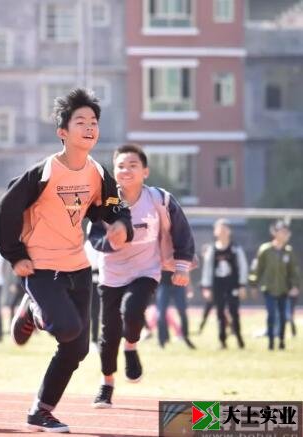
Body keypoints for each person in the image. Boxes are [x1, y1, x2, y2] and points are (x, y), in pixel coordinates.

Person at [0, 88, 132, 432]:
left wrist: (119, 226)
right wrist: (15, 256)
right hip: (40, 267)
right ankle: (33, 310)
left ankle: (40, 410)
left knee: (78, 349)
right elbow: (8, 209)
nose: (89, 127)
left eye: (94, 122)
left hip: (78, 268)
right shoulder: (45, 171)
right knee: (67, 328)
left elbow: (113, 206)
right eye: (80, 121)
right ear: (62, 132)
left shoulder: (97, 173)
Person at [89, 144, 195, 409]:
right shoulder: (106, 202)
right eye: (120, 166)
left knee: (132, 309)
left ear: (145, 171)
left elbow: (182, 232)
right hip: (112, 274)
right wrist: (111, 242)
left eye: (132, 165)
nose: (126, 170)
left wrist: (181, 266)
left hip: (146, 270)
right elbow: (94, 236)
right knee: (109, 333)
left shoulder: (160, 199)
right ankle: (106, 384)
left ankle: (131, 346)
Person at [249, 220, 300, 350]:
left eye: (287, 232)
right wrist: (253, 284)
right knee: (271, 315)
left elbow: (293, 271)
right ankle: (271, 342)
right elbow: (257, 268)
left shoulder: (288, 251)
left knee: (283, 316)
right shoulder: (265, 250)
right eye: (282, 232)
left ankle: (281, 342)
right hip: (269, 288)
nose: (285, 235)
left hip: (283, 289)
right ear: (275, 233)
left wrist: (295, 286)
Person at [200, 219, 248, 349]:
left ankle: (239, 339)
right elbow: (207, 269)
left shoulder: (235, 248)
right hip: (218, 286)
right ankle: (222, 341)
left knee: (234, 312)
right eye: (219, 229)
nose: (222, 232)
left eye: (224, 229)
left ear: (229, 231)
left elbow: (243, 267)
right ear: (215, 232)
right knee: (220, 313)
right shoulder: (212, 249)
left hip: (233, 285)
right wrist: (206, 287)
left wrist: (242, 285)